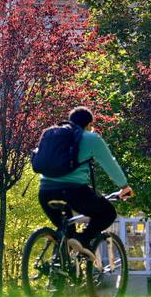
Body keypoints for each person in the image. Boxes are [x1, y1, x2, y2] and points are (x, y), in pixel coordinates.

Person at [38, 107, 133, 260]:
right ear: (89, 124)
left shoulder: (53, 135)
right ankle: (83, 239)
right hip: (73, 192)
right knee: (107, 213)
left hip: (45, 192)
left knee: (67, 233)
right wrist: (124, 186)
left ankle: (59, 272)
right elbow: (110, 164)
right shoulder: (91, 138)